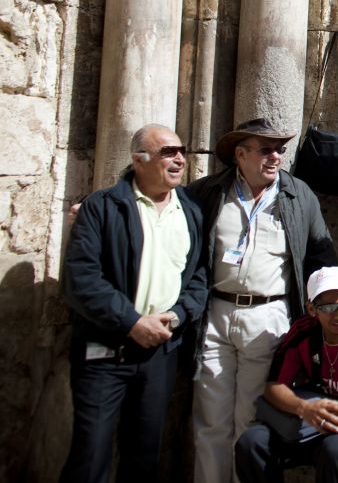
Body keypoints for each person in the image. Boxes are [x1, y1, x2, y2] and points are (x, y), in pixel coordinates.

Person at [190, 118, 338, 483]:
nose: (275, 157)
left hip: (269, 315)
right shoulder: (209, 193)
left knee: (250, 418)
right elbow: (165, 214)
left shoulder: (297, 194)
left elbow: (322, 253)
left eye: (280, 150)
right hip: (217, 312)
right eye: (266, 150)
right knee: (210, 420)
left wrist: (327, 306)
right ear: (240, 155)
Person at [60, 124, 207, 482]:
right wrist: (131, 322)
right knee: (90, 455)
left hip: (160, 352)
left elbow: (198, 277)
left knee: (143, 456)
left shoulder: (190, 211)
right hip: (105, 351)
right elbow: (81, 279)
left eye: (181, 151)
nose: (178, 159)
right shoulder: (102, 207)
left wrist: (177, 315)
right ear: (139, 159)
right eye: (167, 152)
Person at [234, 267, 338, 483]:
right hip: (308, 423)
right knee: (251, 442)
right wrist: (304, 408)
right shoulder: (303, 332)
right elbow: (274, 386)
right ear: (311, 308)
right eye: (329, 307)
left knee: (337, 451)